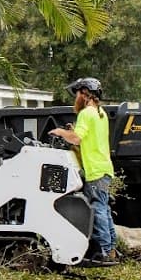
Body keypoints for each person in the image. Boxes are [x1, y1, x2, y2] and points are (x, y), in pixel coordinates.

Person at [49, 76, 117, 266]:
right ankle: (111, 248)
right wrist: (73, 130)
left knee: (98, 208)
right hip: (104, 167)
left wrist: (61, 132)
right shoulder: (100, 112)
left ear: (84, 93)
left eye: (77, 93)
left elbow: (77, 139)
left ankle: (104, 251)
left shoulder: (86, 113)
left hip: (95, 169)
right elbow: (86, 137)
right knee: (105, 208)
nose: (76, 97)